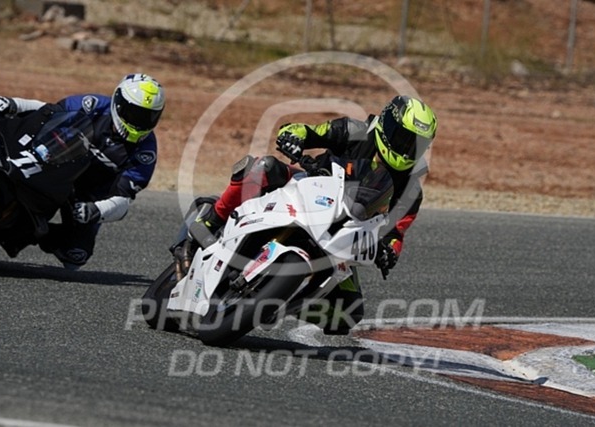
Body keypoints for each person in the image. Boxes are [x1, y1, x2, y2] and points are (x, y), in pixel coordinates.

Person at [181, 95, 437, 334]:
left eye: (417, 145)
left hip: (344, 232)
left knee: (347, 314)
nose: (407, 150)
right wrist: (293, 136)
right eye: (404, 139)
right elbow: (308, 131)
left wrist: (389, 250)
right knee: (264, 168)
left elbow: (397, 232)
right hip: (308, 188)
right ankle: (211, 220)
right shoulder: (355, 131)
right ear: (388, 125)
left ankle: (281, 302)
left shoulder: (411, 191)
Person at [0, 73, 165, 269]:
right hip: (56, 163)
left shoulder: (145, 153)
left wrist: (95, 210)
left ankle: (31, 233)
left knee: (76, 255)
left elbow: (123, 199)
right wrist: (14, 104)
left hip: (88, 193)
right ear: (118, 104)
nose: (139, 122)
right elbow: (48, 110)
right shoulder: (94, 105)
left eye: (148, 117)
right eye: (134, 114)